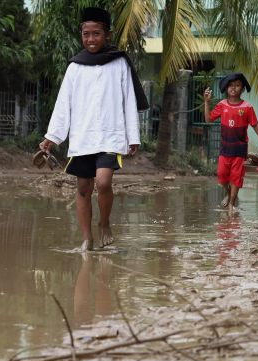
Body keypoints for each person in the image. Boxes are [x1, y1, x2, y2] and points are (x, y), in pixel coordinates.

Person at [39, 7, 146, 251]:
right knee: (84, 188)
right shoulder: (75, 67)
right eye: (86, 34)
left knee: (104, 182)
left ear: (107, 35)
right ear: (81, 35)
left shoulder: (120, 63)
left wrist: (133, 135)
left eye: (96, 34)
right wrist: (51, 137)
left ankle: (104, 223)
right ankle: (86, 239)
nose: (90, 39)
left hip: (110, 135)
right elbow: (63, 104)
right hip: (82, 137)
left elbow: (128, 100)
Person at [203, 73, 258, 212]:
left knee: (236, 177)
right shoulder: (222, 105)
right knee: (222, 175)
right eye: (231, 85)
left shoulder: (248, 107)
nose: (233, 88)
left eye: (237, 85)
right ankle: (228, 191)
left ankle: (231, 204)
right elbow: (208, 120)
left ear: (242, 89)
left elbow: (255, 125)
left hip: (240, 149)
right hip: (225, 148)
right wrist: (206, 102)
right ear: (226, 88)